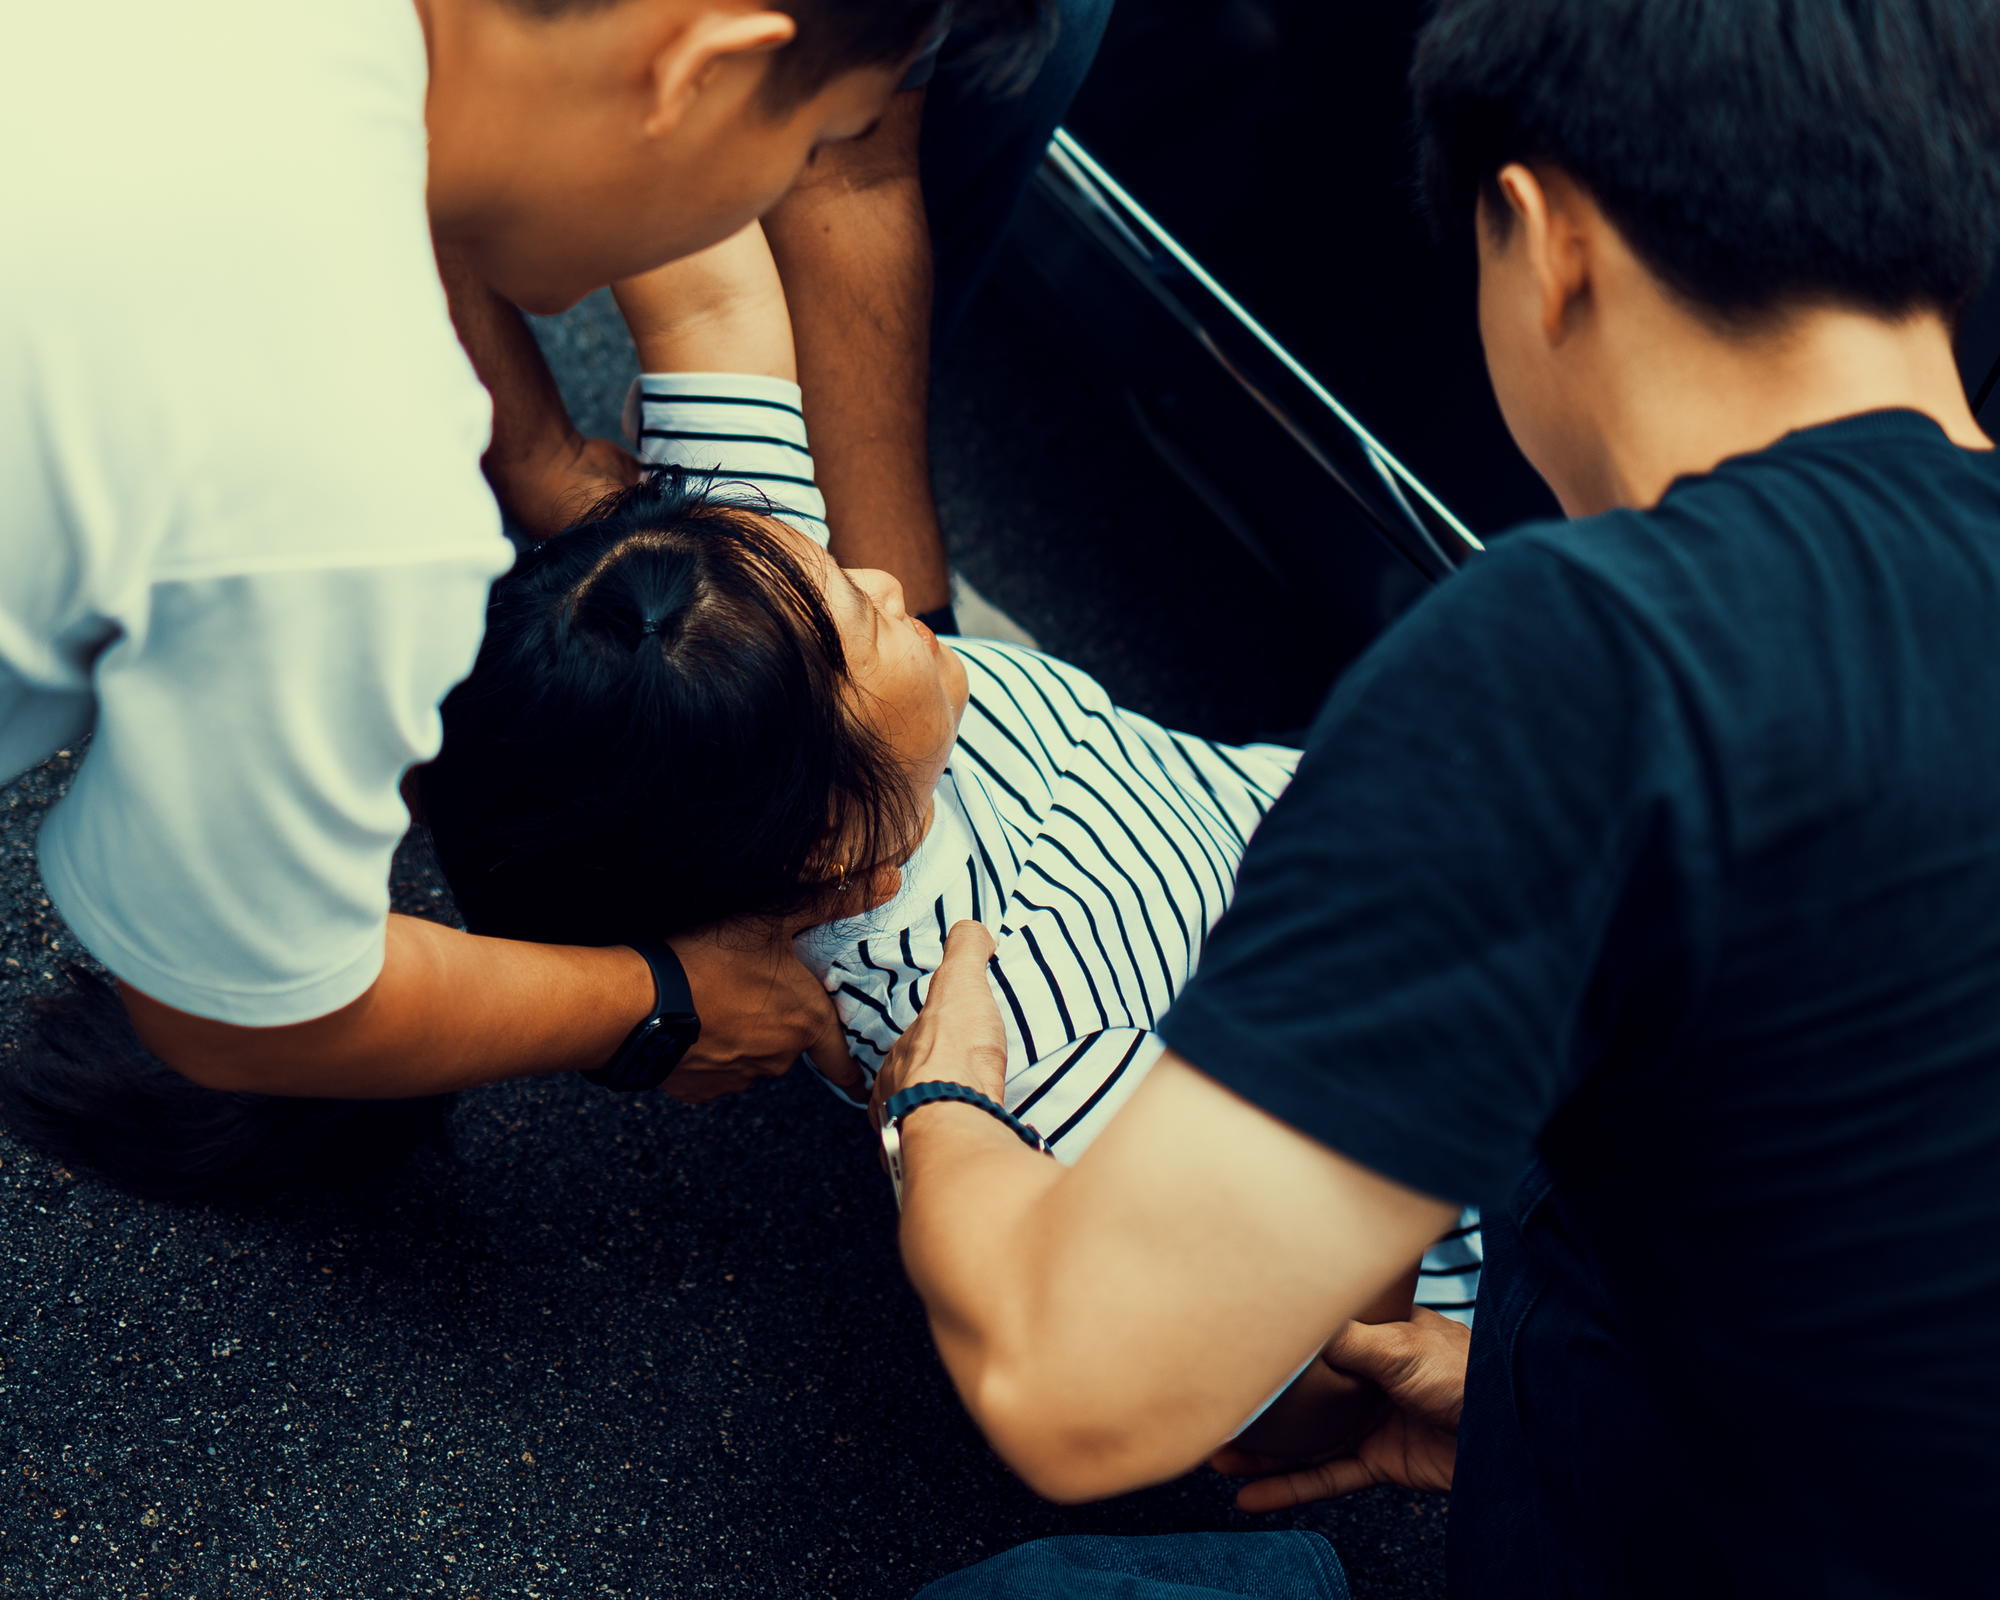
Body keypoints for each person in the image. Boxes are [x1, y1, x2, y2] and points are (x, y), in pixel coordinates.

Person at [856, 1, 2000, 1595]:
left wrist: (946, 1108)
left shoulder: (1599, 653)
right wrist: (1549, 1405)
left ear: (1544, 240)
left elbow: (1073, 1379)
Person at [0, 0, 1047, 1120]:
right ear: (698, 73)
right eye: (803, 150)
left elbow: (700, 279)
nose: (769, 196)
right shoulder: (359, 469)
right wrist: (655, 997)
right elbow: (232, 1001)